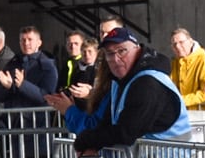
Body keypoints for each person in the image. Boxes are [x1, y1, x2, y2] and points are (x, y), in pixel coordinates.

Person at [46, 26, 187, 151]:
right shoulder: (119, 82)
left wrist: (85, 141)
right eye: (110, 53)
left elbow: (125, 133)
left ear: (137, 50)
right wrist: (91, 145)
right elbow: (106, 124)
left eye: (122, 51)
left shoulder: (148, 84)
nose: (116, 59)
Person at [165, 28, 205, 108]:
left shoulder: (204, 60)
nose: (178, 47)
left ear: (191, 41)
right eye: (174, 44)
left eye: (181, 42)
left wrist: (182, 100)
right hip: (182, 114)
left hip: (202, 116)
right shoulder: (174, 64)